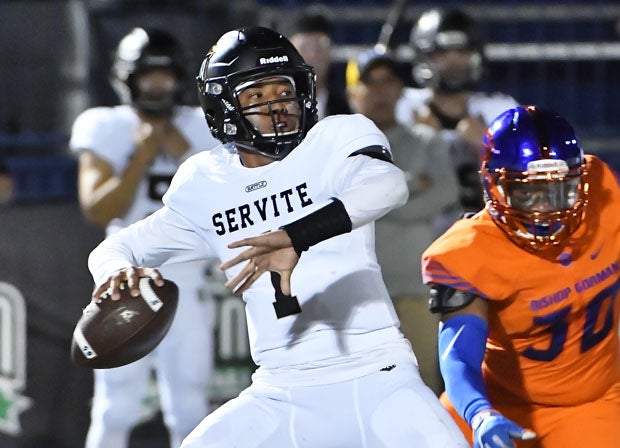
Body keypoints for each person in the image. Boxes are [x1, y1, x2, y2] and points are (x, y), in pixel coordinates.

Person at [86, 26, 469, 448]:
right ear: (224, 106)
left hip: (378, 376)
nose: (277, 107)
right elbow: (117, 246)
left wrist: (298, 235)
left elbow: (387, 186)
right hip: (280, 390)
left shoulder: (334, 139)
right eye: (256, 96)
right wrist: (115, 271)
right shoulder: (206, 183)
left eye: (283, 92)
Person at [422, 105, 620, 448]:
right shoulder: (470, 250)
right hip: (496, 401)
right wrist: (479, 412)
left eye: (560, 191)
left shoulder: (604, 193)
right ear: (492, 186)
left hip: (590, 403)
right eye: (527, 193)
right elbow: (458, 355)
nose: (546, 208)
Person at [70, 27, 218, 448]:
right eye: (148, 76)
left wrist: (183, 150)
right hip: (123, 277)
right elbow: (98, 209)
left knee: (190, 408)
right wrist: (142, 156)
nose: (156, 86)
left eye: (164, 76)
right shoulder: (105, 124)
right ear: (128, 79)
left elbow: (222, 199)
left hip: (189, 278)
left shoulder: (201, 127)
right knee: (114, 407)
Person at [346, 49, 460, 394]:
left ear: (400, 90)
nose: (380, 91)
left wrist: (368, 202)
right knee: (359, 391)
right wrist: (411, 184)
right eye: (370, 82)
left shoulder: (427, 141)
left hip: (414, 290)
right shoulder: (334, 146)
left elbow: (445, 193)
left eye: (389, 81)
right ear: (353, 91)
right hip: (356, 292)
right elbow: (331, 205)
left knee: (421, 387)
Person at [397, 7, 518, 219]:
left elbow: (529, 182)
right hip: (415, 233)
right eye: (441, 53)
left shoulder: (500, 112)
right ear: (423, 56)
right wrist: (417, 143)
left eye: (462, 52)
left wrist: (491, 148)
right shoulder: (402, 107)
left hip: (482, 235)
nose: (453, 63)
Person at [286, 6, 351, 119]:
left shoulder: (348, 108)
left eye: (321, 46)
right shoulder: (277, 108)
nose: (313, 55)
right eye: (304, 47)